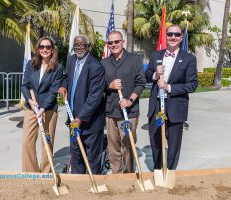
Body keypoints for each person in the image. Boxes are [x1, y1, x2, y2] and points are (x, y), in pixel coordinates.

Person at [145, 25, 198, 170]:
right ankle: (157, 169)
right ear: (166, 36)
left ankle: (169, 172)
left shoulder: (189, 59)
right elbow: (146, 76)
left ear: (181, 38)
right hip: (156, 105)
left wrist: (169, 87)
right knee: (155, 140)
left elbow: (192, 85)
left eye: (176, 34)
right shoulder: (156, 55)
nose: (173, 37)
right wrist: (155, 75)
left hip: (175, 106)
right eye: (170, 34)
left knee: (173, 144)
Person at [58, 35, 106, 174]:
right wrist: (63, 86)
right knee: (76, 156)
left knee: (92, 158)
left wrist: (81, 118)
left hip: (90, 122)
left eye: (82, 44)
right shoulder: (72, 60)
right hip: (73, 120)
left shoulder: (96, 66)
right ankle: (78, 186)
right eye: (76, 45)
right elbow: (67, 77)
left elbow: (94, 97)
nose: (78, 47)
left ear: (87, 46)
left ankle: (93, 184)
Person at [101, 31, 146, 173]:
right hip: (111, 112)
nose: (113, 45)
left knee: (128, 146)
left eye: (116, 42)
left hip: (129, 113)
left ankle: (128, 174)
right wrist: (110, 86)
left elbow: (141, 83)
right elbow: (98, 85)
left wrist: (130, 100)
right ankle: (116, 175)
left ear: (123, 41)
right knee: (113, 148)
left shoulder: (135, 60)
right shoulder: (104, 63)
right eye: (110, 43)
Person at [21, 36, 63, 172]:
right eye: (42, 47)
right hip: (31, 108)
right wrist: (30, 101)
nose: (45, 49)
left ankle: (45, 173)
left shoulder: (57, 68)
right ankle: (30, 172)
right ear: (38, 49)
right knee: (27, 142)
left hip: (49, 110)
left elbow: (53, 91)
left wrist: (43, 108)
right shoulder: (31, 64)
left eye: (48, 47)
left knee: (47, 143)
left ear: (52, 50)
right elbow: (24, 85)